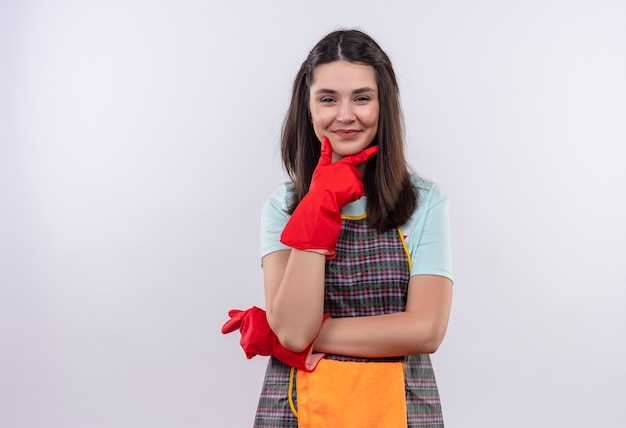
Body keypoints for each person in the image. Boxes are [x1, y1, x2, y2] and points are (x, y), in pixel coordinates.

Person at [222, 29, 454, 427]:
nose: (345, 114)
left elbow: (426, 329)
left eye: (362, 97)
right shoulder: (283, 207)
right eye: (328, 98)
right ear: (308, 108)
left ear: (384, 106)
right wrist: (319, 205)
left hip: (399, 407)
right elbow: (295, 332)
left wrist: (306, 333)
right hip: (297, 409)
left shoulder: (423, 200)